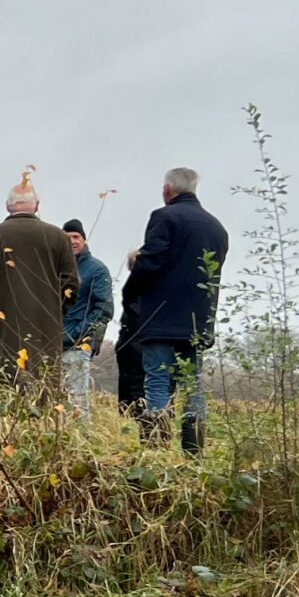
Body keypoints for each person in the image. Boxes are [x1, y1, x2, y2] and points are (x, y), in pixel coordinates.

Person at [124, 167, 229, 453]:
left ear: (167, 190)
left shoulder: (164, 217)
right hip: (198, 321)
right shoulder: (217, 227)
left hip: (162, 318)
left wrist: (130, 291)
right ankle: (193, 452)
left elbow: (150, 263)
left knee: (157, 379)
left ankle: (156, 451)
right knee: (192, 384)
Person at [0, 184, 79, 401]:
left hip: (2, 330)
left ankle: (2, 432)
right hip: (46, 330)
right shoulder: (59, 238)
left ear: (8, 206)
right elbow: (71, 285)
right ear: (36, 205)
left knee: (3, 391)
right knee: (44, 390)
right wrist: (55, 311)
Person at [62, 219, 114, 414]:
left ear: (84, 239)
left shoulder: (97, 270)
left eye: (76, 237)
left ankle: (79, 442)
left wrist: (79, 335)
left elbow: (103, 309)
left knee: (76, 401)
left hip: (77, 345)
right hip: (51, 345)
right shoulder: (56, 268)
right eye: (67, 238)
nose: (72, 241)